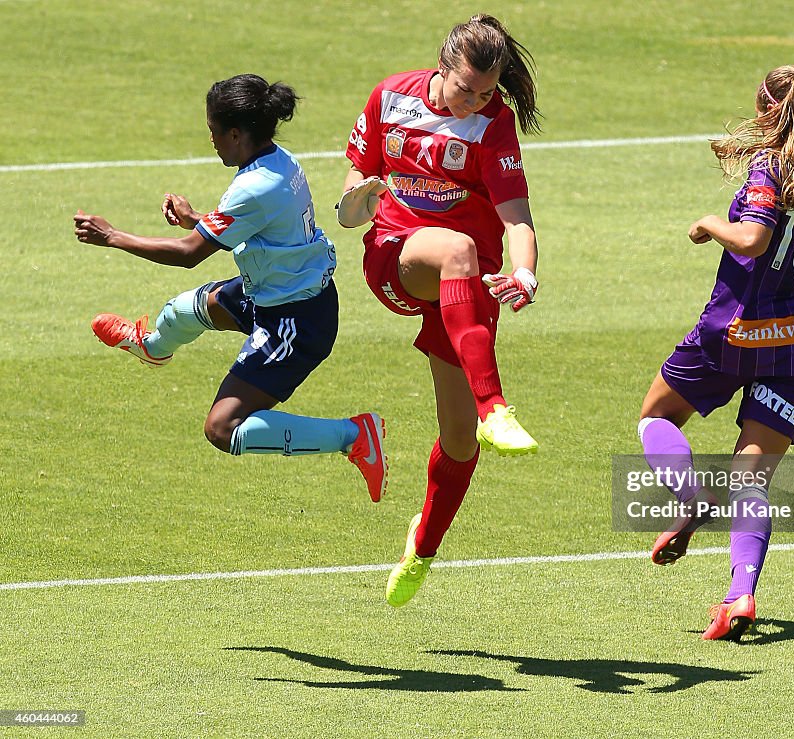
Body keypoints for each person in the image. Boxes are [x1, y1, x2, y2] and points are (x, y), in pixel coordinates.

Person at [73, 74, 387, 502]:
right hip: (275, 291)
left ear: (236, 134)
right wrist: (199, 221)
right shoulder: (279, 161)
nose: (211, 140)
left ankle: (354, 436)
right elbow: (259, 229)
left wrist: (112, 236)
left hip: (295, 321)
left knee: (222, 428)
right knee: (191, 309)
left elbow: (188, 254)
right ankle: (153, 345)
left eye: (213, 131)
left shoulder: (255, 185)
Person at [637, 65, 794, 641]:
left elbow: (754, 240)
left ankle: (690, 498)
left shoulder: (769, 170)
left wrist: (712, 222)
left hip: (732, 335)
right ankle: (740, 594)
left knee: (656, 416)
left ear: (767, 112)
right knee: (752, 478)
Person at [337, 14, 541, 606]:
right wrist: (356, 199)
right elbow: (358, 179)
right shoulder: (390, 97)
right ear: (441, 66)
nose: (476, 101)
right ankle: (495, 404)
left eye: (486, 91)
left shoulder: (495, 124)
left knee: (457, 442)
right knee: (456, 247)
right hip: (399, 258)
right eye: (466, 89)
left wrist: (525, 272)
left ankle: (421, 549)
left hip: (467, 290)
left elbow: (517, 220)